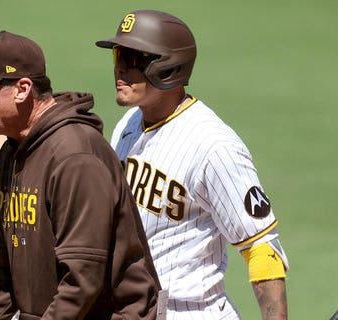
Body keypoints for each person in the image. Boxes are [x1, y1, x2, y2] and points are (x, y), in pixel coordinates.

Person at [0, 30, 162, 319]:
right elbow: (3, 281)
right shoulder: (12, 152)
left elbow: (82, 283)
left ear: (22, 89)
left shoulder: (76, 157)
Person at [95, 9, 289, 319]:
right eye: (117, 56)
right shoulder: (128, 124)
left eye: (131, 59)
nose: (119, 69)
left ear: (168, 67)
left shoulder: (214, 146)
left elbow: (262, 249)